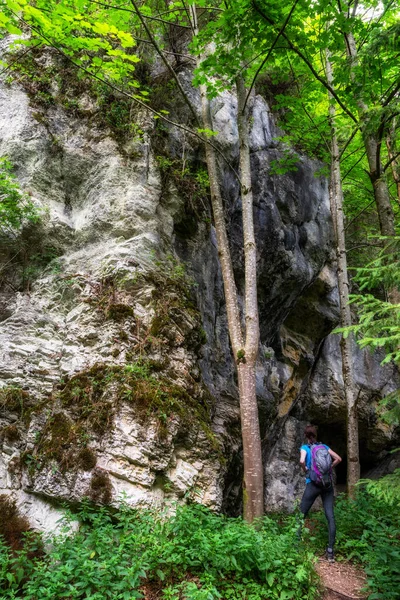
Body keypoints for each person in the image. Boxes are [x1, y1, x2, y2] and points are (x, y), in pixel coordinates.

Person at [299, 424, 342, 563]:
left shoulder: (305, 448)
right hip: (327, 484)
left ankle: (295, 545)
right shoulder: (324, 447)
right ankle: (330, 552)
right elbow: (339, 459)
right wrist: (329, 467)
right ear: (316, 435)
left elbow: (301, 460)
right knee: (330, 516)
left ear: (306, 436)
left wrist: (306, 469)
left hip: (313, 484)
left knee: (302, 513)